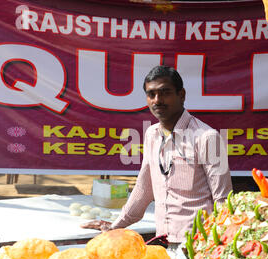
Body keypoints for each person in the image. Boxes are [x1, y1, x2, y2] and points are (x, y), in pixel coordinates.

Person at [82, 65, 233, 246]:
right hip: (164, 241)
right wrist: (115, 227)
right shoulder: (152, 134)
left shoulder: (207, 137)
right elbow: (144, 189)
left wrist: (218, 246)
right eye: (151, 94)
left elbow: (224, 200)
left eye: (165, 92)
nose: (157, 100)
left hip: (198, 243)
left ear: (182, 95)